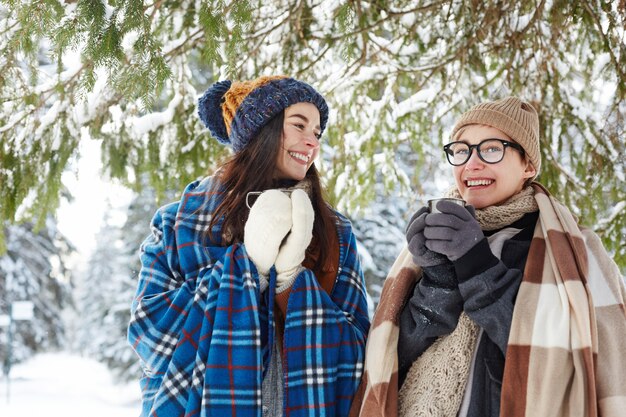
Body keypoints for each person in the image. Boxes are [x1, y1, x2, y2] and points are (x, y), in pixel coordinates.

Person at [349, 97, 626, 417]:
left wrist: (477, 264)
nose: (472, 163)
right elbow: (392, 360)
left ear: (529, 166)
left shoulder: (573, 253)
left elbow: (558, 364)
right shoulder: (440, 232)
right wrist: (438, 282)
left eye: (492, 149)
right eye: (461, 150)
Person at [128, 75, 370, 417]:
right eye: (299, 125)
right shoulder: (179, 223)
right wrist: (248, 269)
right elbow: (150, 336)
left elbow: (358, 355)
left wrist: (290, 284)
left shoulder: (335, 232)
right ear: (261, 131)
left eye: (317, 133)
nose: (312, 142)